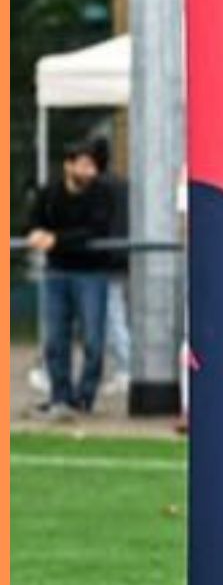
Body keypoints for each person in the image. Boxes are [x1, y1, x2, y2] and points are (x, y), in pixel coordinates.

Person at [24, 139, 118, 419]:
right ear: (69, 165)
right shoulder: (50, 194)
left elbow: (96, 230)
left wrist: (55, 240)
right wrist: (36, 234)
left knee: (93, 340)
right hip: (57, 273)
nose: (90, 172)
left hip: (91, 274)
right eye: (84, 165)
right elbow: (32, 223)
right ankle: (60, 397)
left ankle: (84, 397)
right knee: (55, 340)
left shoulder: (102, 194)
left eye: (92, 166)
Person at [88, 136, 134, 395]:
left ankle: (127, 367)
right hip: (122, 255)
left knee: (113, 316)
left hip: (108, 257)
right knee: (119, 315)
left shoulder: (101, 186)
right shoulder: (122, 184)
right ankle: (124, 366)